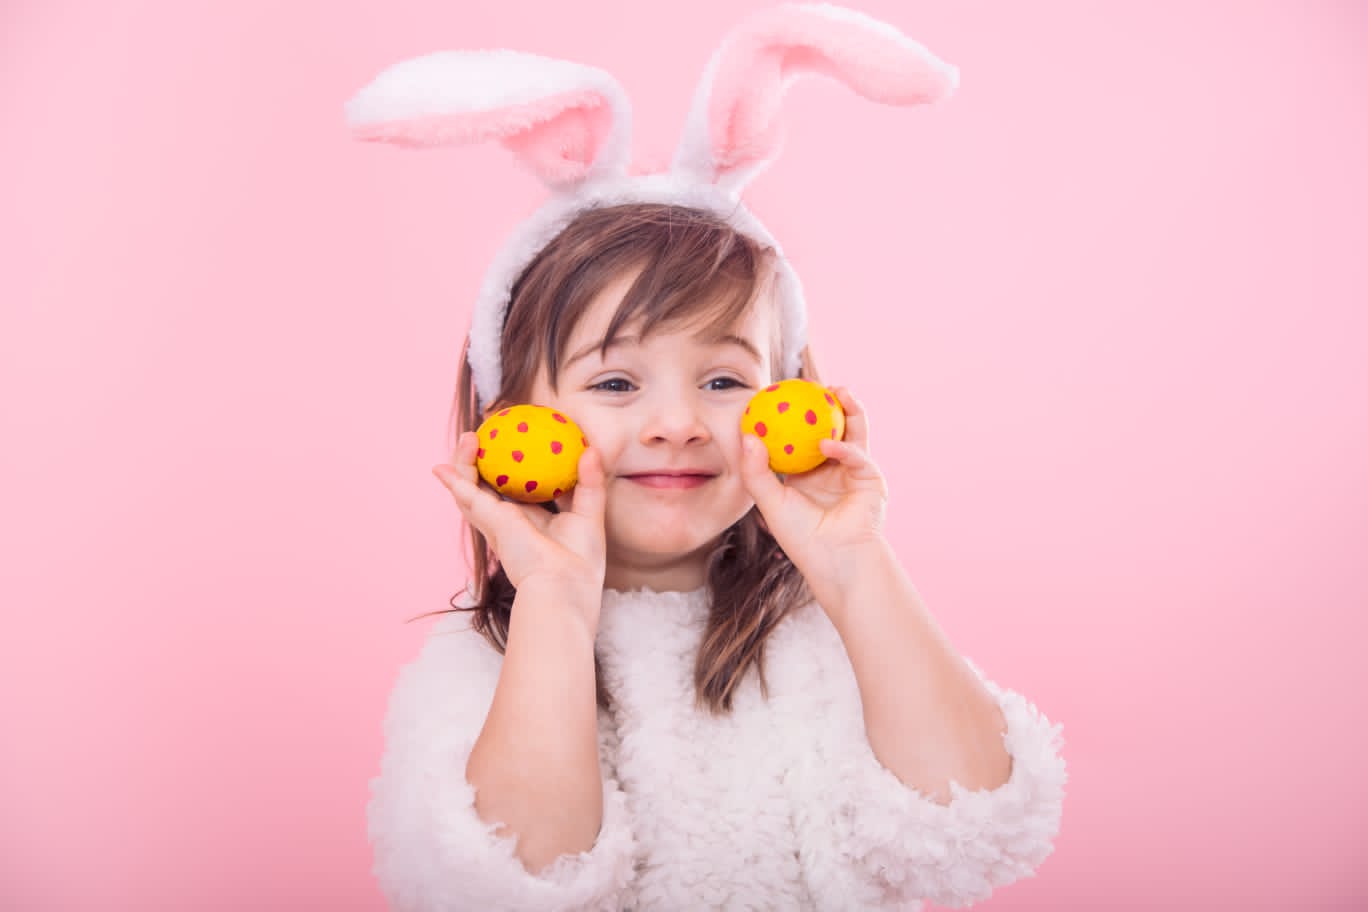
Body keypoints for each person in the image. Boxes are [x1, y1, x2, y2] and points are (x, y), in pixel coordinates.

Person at [346, 5, 1066, 910]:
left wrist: (854, 565)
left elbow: (975, 826)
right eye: (616, 383)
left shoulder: (829, 636)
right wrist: (556, 608)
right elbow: (500, 889)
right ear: (511, 425)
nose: (679, 423)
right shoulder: (476, 662)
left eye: (724, 381)